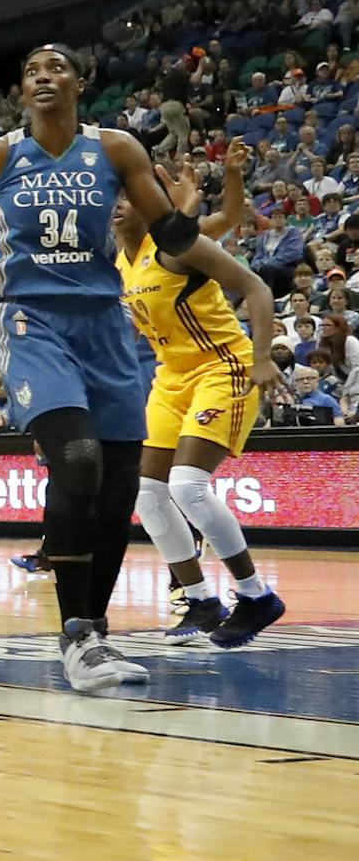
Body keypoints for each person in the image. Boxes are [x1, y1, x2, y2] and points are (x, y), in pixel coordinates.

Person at [0, 44, 231, 692]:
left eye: (56, 67)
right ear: (20, 88)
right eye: (32, 68)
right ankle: (75, 635)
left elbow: (170, 234)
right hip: (30, 316)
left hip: (105, 322)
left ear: (79, 85)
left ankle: (94, 629)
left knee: (120, 488)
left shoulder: (115, 149)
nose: (43, 75)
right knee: (80, 459)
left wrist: (235, 263)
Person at [119, 154, 286, 646]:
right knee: (149, 495)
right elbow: (227, 220)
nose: (118, 204)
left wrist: (260, 358)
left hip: (224, 366)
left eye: (129, 196)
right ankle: (200, 600)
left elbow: (254, 283)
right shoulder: (120, 262)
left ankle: (256, 596)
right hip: (171, 377)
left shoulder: (173, 246)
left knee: (188, 486)